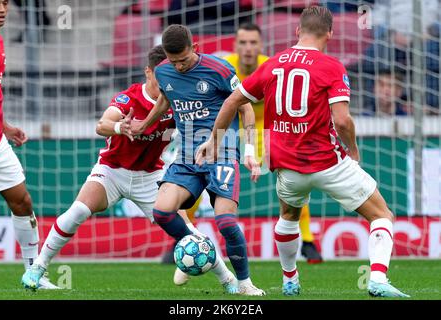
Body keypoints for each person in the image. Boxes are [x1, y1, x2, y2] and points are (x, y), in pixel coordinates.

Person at [196, 6, 409, 298]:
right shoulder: (332, 66)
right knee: (382, 214)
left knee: (288, 217)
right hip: (328, 163)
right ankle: (377, 279)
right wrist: (354, 150)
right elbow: (343, 120)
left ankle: (290, 279)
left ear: (297, 31)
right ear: (330, 34)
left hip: (286, 165)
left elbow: (232, 100)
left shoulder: (272, 63)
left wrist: (213, 141)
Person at [21, 45, 236, 291]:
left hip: (151, 176)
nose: (169, 79)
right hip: (112, 171)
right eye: (162, 74)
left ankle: (229, 281)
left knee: (187, 231)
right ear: (148, 72)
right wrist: (119, 127)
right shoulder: (129, 98)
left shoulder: (177, 101)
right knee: (78, 211)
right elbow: (102, 124)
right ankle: (37, 269)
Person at [133, 24, 265, 296]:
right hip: (188, 155)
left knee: (226, 223)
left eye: (184, 60)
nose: (179, 67)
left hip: (223, 152)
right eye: (174, 61)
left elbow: (246, 108)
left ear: (195, 48)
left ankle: (244, 284)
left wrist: (250, 152)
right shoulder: (164, 71)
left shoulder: (219, 70)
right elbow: (164, 102)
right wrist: (142, 125)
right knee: (162, 211)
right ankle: (197, 247)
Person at [224, 22, 323, 263]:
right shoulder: (226, 67)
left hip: (266, 127)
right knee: (202, 166)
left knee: (294, 175)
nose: (248, 48)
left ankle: (307, 240)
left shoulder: (274, 66)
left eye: (253, 43)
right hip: (232, 127)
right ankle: (184, 232)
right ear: (236, 46)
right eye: (243, 43)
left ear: (260, 45)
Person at [0, 0, 57, 289]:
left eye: (5, 3)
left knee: (22, 201)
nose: (2, 9)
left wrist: (6, 127)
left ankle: (33, 273)